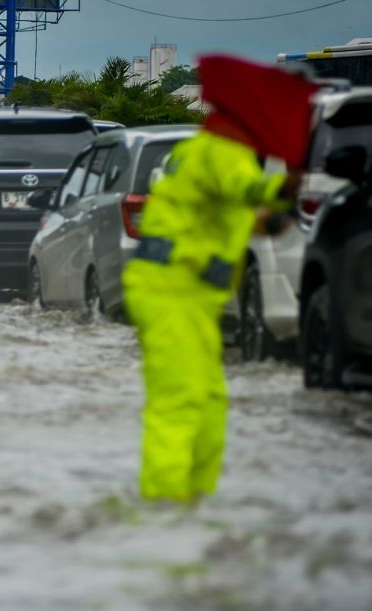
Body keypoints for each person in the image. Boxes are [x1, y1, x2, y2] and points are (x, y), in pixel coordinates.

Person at [122, 55, 315, 504]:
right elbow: (247, 191)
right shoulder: (222, 153)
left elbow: (234, 214)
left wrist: (274, 215)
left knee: (209, 402)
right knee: (181, 400)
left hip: (190, 296)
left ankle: (194, 501)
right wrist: (283, 187)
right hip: (172, 291)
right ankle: (163, 507)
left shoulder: (209, 152)